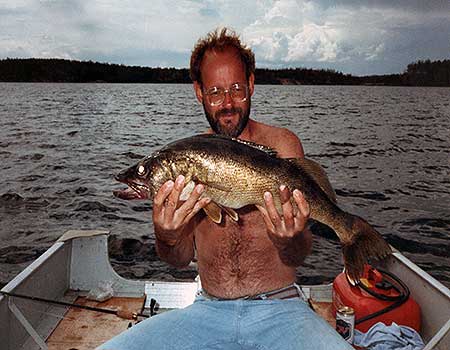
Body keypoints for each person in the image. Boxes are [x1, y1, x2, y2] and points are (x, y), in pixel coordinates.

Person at [99, 28, 352, 350]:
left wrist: (288, 239)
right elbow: (178, 259)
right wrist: (166, 235)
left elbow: (298, 254)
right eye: (215, 92)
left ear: (251, 84)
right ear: (199, 92)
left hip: (281, 309)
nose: (228, 103)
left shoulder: (283, 144)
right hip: (206, 311)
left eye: (236, 89)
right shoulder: (187, 159)